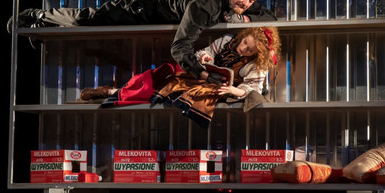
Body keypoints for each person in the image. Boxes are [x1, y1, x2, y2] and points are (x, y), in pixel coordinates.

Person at [8, 0, 276, 82]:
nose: (246, 3)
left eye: (251, 1)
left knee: (84, 25)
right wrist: (203, 74)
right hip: (140, 10)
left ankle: (42, 28)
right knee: (87, 19)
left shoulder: (241, 4)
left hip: (155, 14)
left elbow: (272, 19)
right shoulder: (203, 6)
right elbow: (180, 47)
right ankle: (36, 15)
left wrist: (247, 18)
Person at [82, 26, 282, 129]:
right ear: (245, 35)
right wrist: (204, 57)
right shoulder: (227, 40)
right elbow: (204, 52)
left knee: (168, 93)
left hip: (216, 87)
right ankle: (109, 90)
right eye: (246, 42)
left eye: (250, 49)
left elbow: (252, 89)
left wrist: (233, 91)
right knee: (157, 80)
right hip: (199, 75)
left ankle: (110, 92)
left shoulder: (257, 65)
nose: (244, 48)